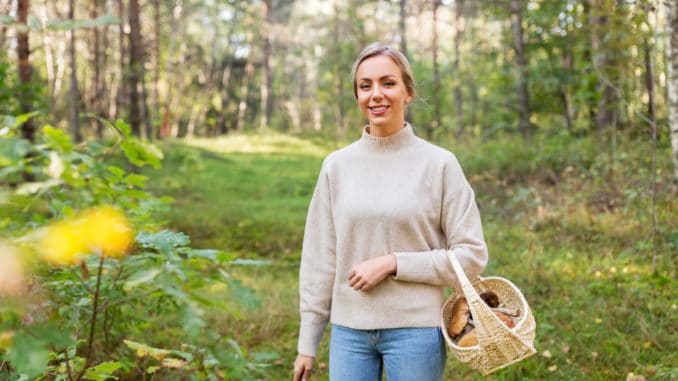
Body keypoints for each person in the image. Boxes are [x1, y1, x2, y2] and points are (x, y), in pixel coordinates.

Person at [292, 42, 488, 381]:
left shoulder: (439, 164)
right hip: (348, 334)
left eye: (388, 83)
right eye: (365, 86)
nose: (376, 94)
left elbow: (471, 257)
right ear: (356, 95)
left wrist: (394, 263)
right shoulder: (336, 166)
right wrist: (307, 343)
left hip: (416, 331)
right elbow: (318, 260)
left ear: (408, 92)